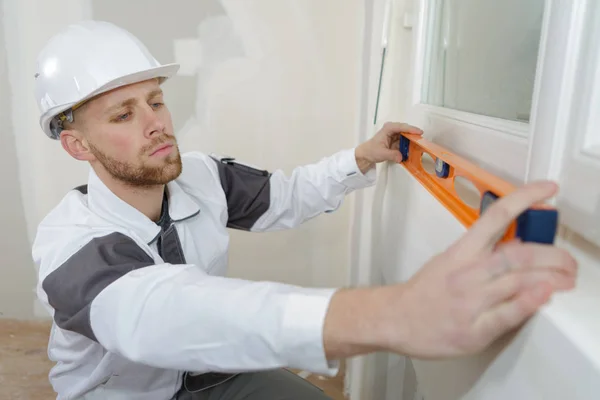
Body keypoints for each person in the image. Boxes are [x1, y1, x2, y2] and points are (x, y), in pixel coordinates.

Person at [31, 20, 577, 400]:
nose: (157, 123)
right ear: (78, 145)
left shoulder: (199, 176)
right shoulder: (70, 244)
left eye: (155, 100)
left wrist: (362, 157)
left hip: (210, 375)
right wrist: (395, 314)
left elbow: (284, 195)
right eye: (123, 115)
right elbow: (156, 314)